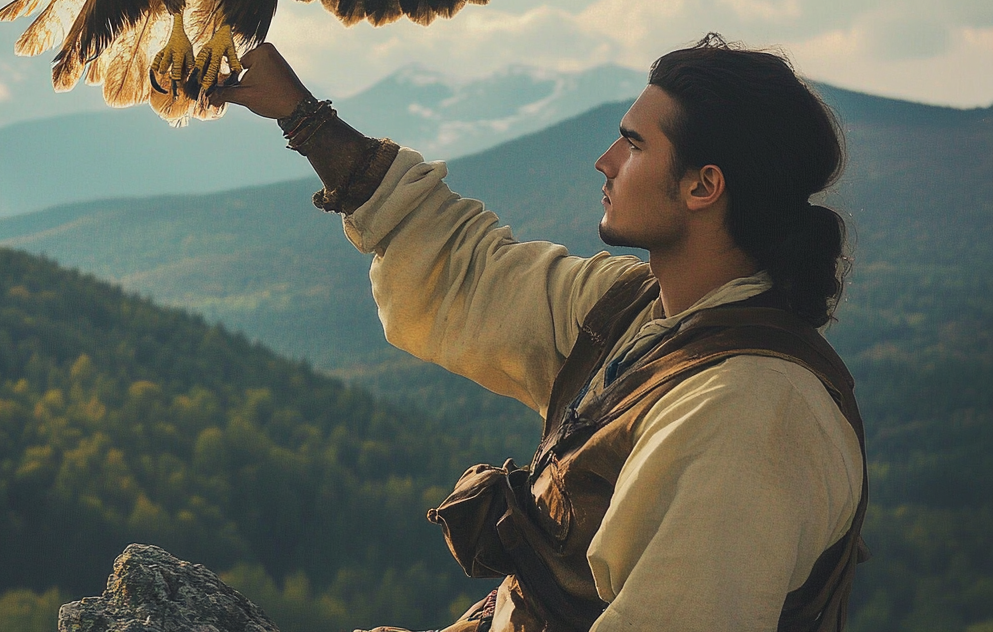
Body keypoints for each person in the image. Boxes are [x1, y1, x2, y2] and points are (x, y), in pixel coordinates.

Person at [210, 35, 867, 632]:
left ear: (703, 186)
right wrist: (302, 116)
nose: (606, 162)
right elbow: (467, 272)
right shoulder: (635, 312)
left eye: (635, 144)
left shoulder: (751, 415)